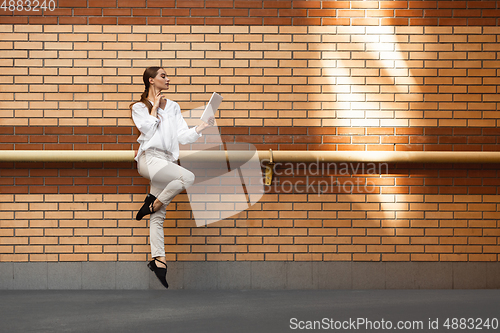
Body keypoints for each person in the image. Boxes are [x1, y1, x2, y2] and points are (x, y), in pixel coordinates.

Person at [129, 67, 214, 289]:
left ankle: (159, 261)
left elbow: (182, 136)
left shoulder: (174, 106)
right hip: (150, 160)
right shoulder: (139, 107)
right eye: (163, 76)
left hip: (167, 162)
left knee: (158, 216)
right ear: (151, 80)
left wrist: (200, 128)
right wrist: (155, 107)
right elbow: (146, 130)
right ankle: (153, 202)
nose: (168, 79)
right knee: (189, 178)